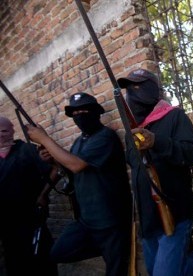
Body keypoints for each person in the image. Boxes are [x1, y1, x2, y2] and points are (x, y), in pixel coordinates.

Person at [117, 68, 193, 276]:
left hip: (174, 211)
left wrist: (156, 142)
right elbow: (133, 163)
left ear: (153, 89)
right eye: (129, 89)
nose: (133, 93)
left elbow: (192, 154)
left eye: (138, 87)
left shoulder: (174, 116)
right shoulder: (131, 131)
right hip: (147, 218)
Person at [27, 92, 132, 276]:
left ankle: (115, 248)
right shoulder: (79, 141)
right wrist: (53, 160)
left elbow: (76, 165)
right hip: (87, 221)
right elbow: (69, 167)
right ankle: (108, 248)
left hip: (111, 221)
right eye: (74, 113)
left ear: (96, 112)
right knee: (58, 252)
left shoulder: (105, 137)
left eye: (84, 110)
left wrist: (44, 139)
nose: (79, 116)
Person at [0, 115, 58, 276]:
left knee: (42, 262)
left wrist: (43, 194)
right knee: (15, 264)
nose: (0, 135)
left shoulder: (27, 150)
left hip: (32, 219)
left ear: (12, 131)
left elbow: (55, 170)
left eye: (4, 130)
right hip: (6, 226)